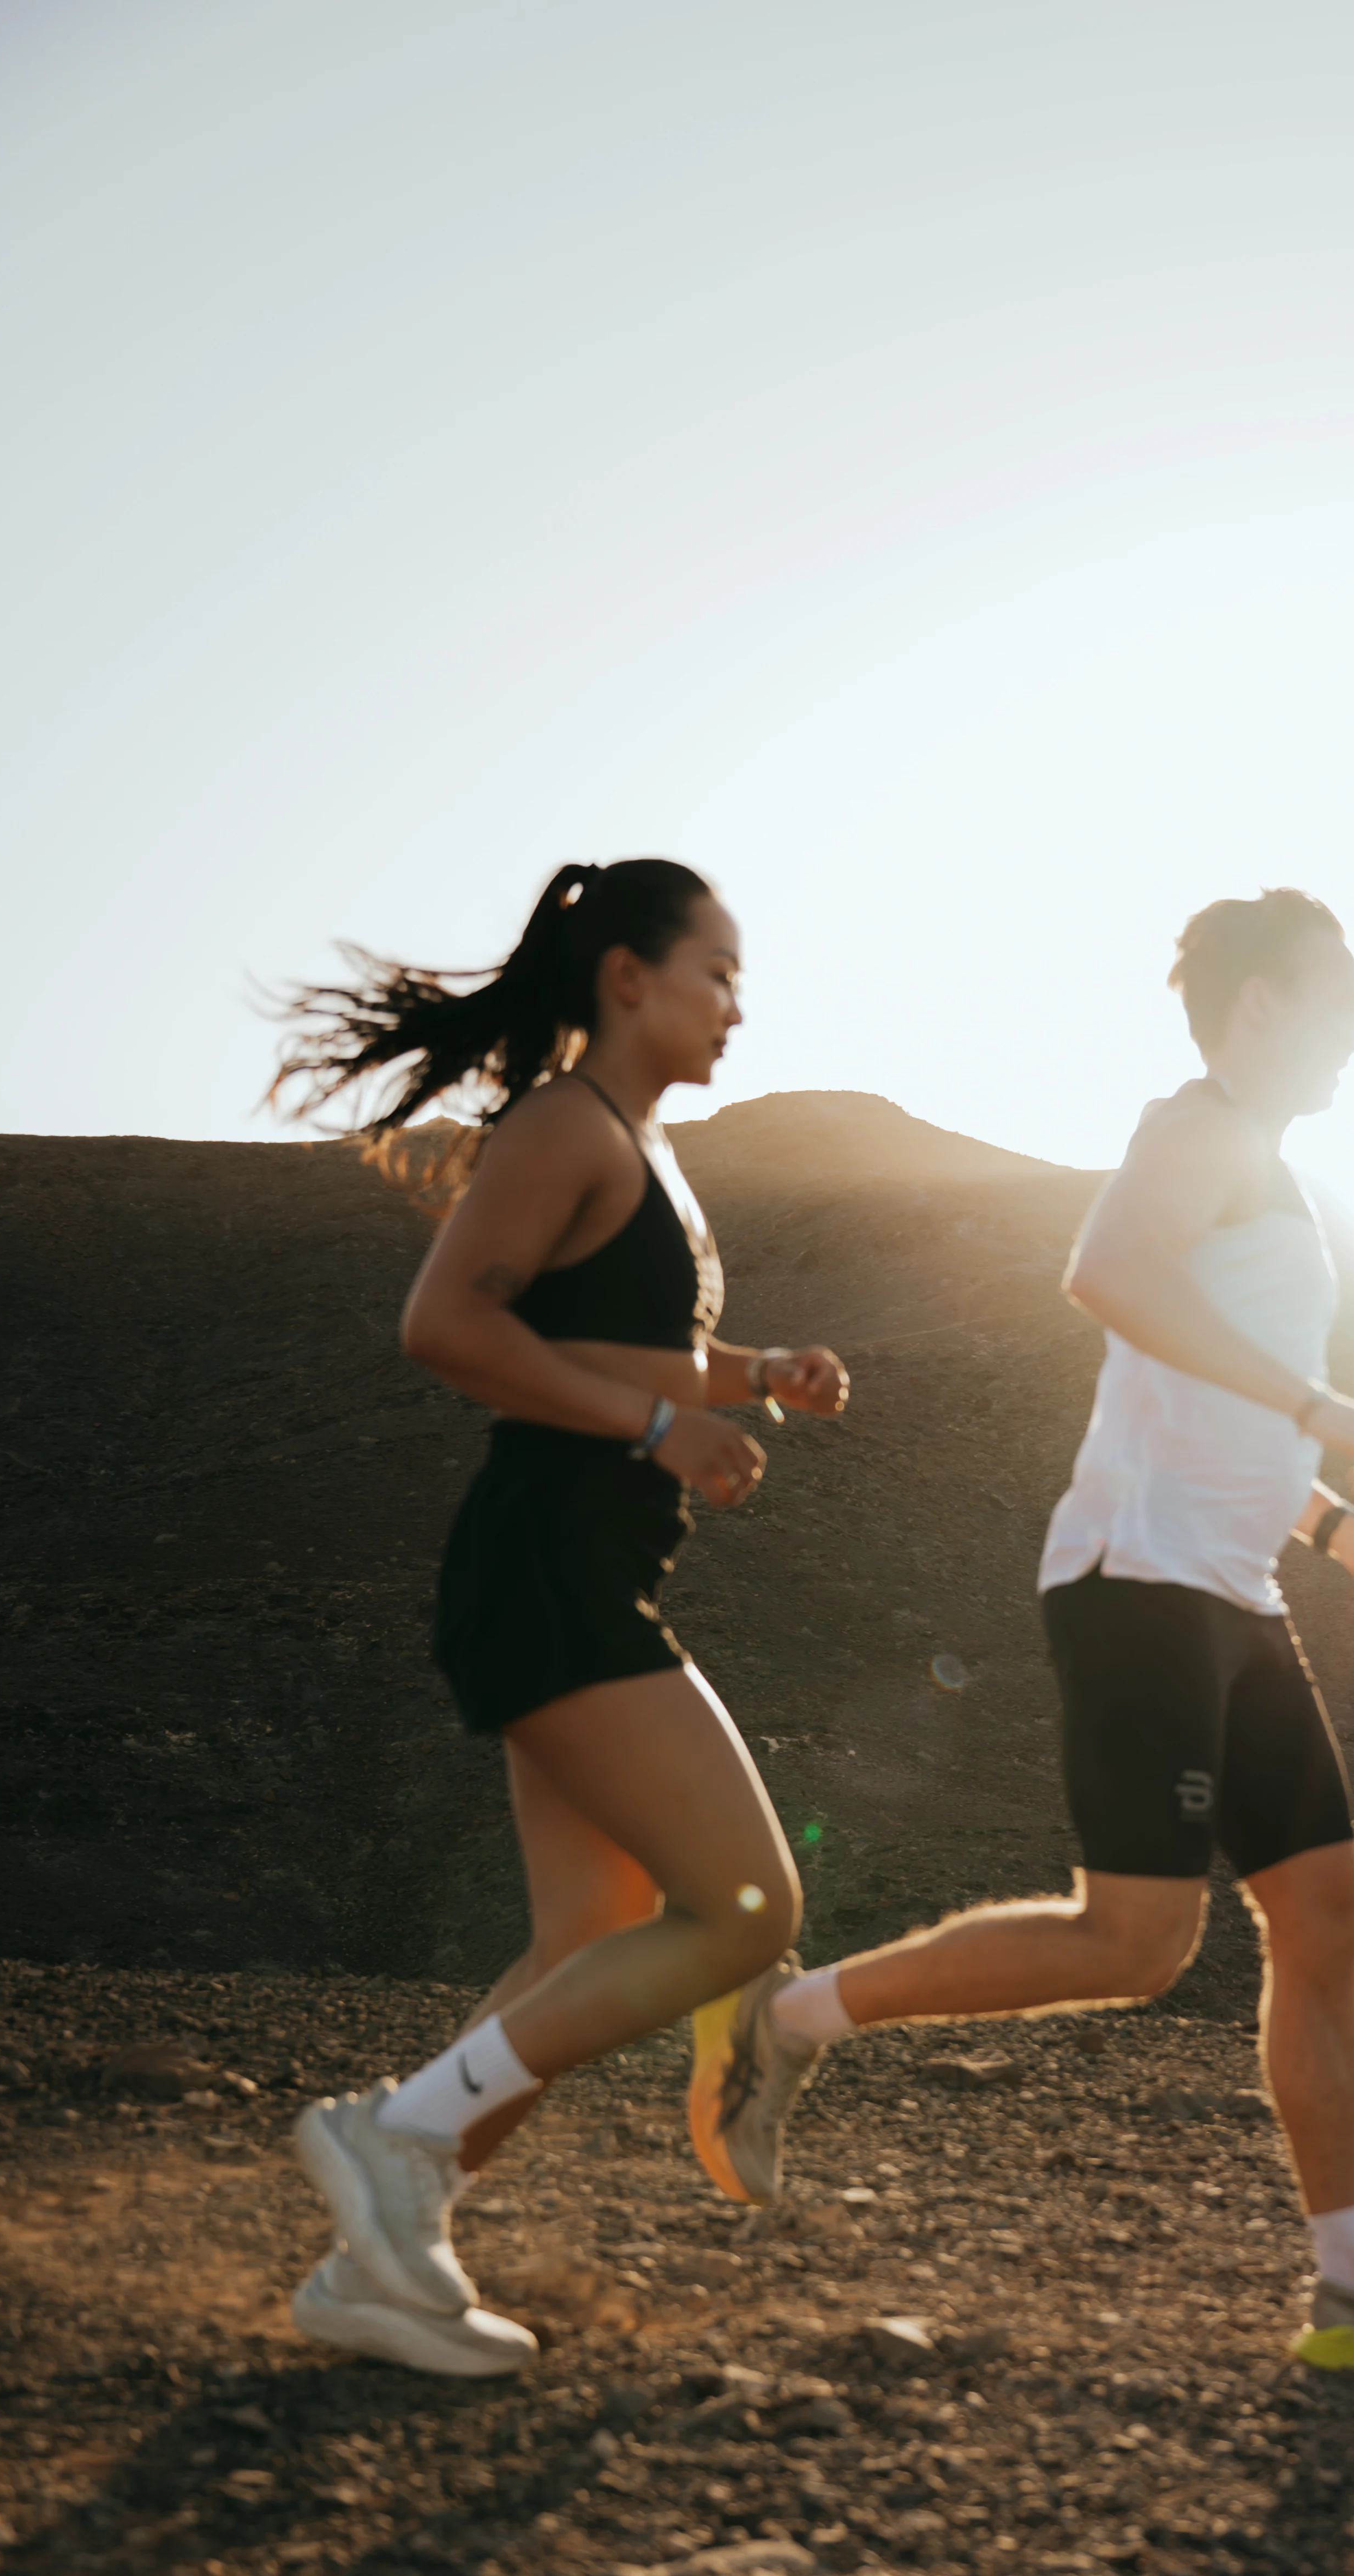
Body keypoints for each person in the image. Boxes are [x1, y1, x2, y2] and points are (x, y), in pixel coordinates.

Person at [687, 887, 1354, 2370]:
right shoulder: (1194, 1130)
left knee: (1327, 1914)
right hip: (1139, 1584)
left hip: (1234, 1588)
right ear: (1260, 1009)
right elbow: (1109, 1277)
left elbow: (1202, 1406)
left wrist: (1340, 1530)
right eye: (1338, 1004)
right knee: (1137, 1942)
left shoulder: (1264, 1172)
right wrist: (1322, 1404)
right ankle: (785, 2019)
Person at [267, 858, 847, 2375]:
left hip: (586, 1564)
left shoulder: (640, 1149)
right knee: (744, 1910)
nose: (737, 1002)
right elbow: (447, 1324)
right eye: (717, 970)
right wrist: (659, 1435)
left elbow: (630, 1343)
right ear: (626, 979)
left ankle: (376, 2265)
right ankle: (392, 2140)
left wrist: (756, 1371)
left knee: (585, 1932)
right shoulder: (562, 1128)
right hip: (549, 1566)